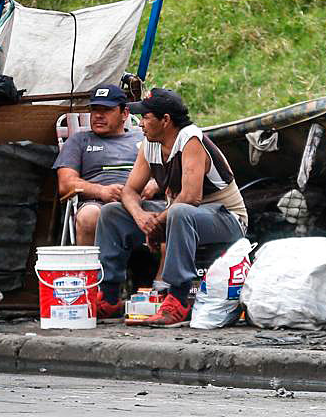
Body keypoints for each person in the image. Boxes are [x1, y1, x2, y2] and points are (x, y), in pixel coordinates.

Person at [94, 88, 248, 325]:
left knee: (179, 211)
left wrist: (157, 220)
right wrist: (141, 217)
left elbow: (190, 197)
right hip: (181, 217)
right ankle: (110, 296)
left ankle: (178, 299)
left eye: (146, 117)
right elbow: (129, 191)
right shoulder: (150, 143)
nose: (141, 123)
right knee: (111, 213)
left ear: (165, 120)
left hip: (226, 219)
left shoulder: (191, 140)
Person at [52, 84, 149, 246]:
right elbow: (65, 184)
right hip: (98, 203)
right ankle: (90, 270)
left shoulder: (143, 139)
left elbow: (167, 172)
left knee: (173, 213)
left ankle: (166, 271)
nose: (98, 115)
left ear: (124, 113)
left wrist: (153, 184)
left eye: (106, 110)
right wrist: (102, 191)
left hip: (141, 200)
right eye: (95, 109)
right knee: (89, 215)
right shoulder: (78, 141)